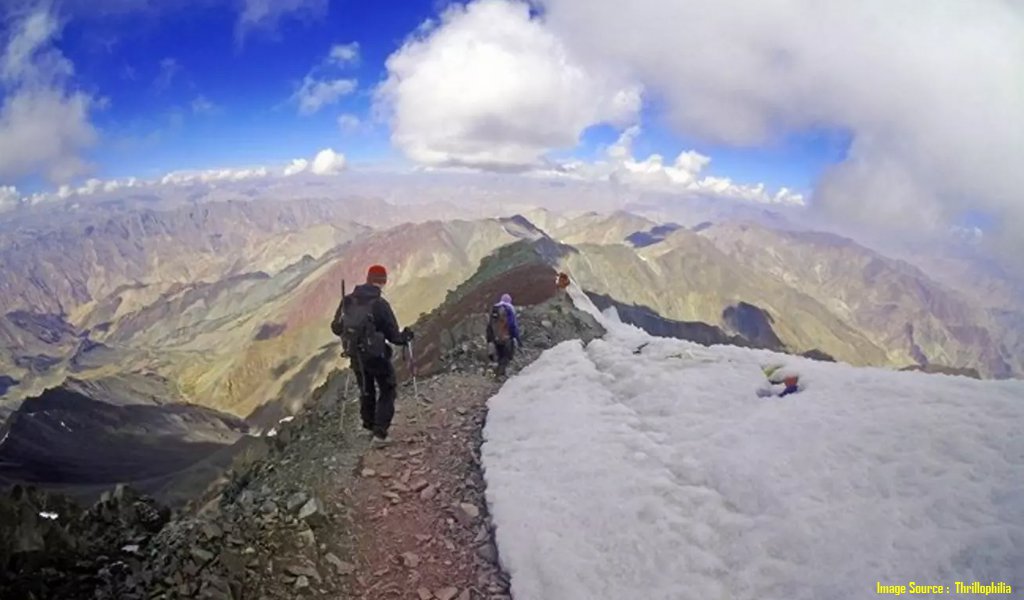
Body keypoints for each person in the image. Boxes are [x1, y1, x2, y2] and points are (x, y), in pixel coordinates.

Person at [331, 264, 413, 445]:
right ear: (383, 282)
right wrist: (406, 336)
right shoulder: (380, 304)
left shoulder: (348, 300)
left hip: (355, 354)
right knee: (387, 388)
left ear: (367, 279)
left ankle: (368, 425)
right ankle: (380, 432)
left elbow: (336, 328)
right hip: (376, 356)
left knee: (365, 390)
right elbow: (393, 336)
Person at [486, 293, 520, 379]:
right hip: (506, 338)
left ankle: (495, 374)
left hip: (495, 338)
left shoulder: (494, 309)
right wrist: (517, 338)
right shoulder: (509, 309)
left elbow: (489, 326)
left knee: (499, 356)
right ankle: (500, 375)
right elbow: (512, 325)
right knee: (506, 357)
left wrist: (490, 339)